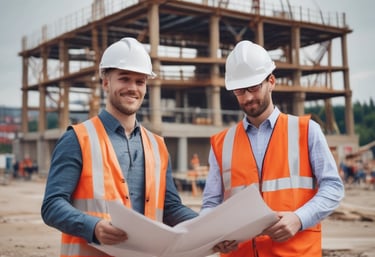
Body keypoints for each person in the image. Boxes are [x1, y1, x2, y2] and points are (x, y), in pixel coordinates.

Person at [41, 37, 198, 257]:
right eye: (124, 79)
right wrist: (93, 227)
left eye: (140, 81)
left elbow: (171, 208)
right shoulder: (77, 138)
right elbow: (52, 206)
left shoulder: (157, 146)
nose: (132, 88)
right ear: (106, 82)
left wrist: (207, 229)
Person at [201, 40, 345, 256]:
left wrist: (299, 218)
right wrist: (213, 234)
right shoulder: (222, 143)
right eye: (240, 91)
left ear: (271, 81)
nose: (248, 97)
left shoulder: (307, 131)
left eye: (253, 87)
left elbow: (333, 188)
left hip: (295, 251)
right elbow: (211, 204)